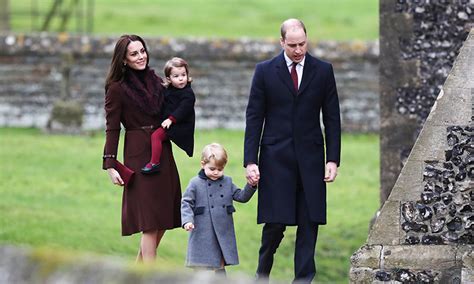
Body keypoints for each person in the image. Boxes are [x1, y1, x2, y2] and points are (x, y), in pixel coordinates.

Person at [244, 19, 341, 283]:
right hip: (276, 160)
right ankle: (261, 276)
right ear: (282, 42)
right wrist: (250, 161)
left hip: (311, 160)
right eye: (293, 45)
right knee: (274, 225)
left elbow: (332, 118)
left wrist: (333, 159)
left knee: (309, 223)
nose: (299, 50)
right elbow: (254, 117)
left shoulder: (323, 71)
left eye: (302, 44)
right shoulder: (264, 71)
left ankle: (303, 280)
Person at [102, 34, 182, 262]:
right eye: (134, 53)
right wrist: (110, 164)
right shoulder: (116, 88)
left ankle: (136, 276)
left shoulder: (157, 81)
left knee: (164, 217)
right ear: (124, 60)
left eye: (142, 51)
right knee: (149, 222)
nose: (141, 56)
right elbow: (112, 128)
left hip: (163, 152)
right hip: (138, 155)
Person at [181, 143, 257, 274]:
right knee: (200, 266)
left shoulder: (227, 182)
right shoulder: (195, 183)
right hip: (202, 231)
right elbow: (186, 203)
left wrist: (251, 185)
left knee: (220, 265)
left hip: (222, 232)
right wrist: (187, 220)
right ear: (202, 164)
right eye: (212, 168)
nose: (216, 172)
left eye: (220, 169)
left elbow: (241, 196)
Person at [141, 57, 196, 174]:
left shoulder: (188, 94)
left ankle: (154, 163)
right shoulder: (169, 90)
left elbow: (183, 109)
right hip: (169, 122)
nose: (181, 79)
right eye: (176, 76)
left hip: (180, 126)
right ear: (169, 79)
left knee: (156, 136)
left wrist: (171, 119)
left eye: (183, 75)